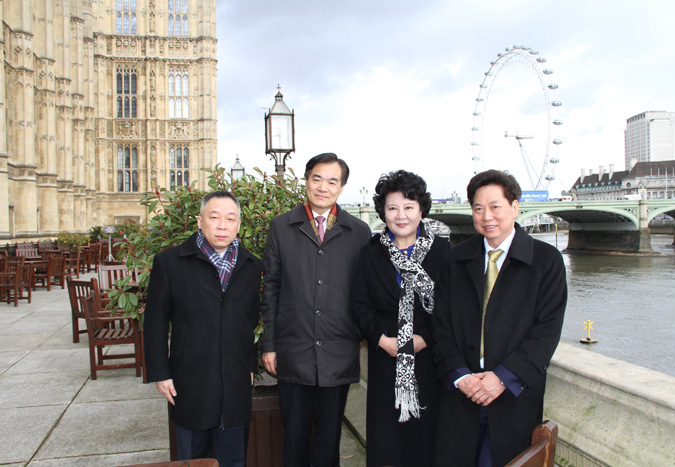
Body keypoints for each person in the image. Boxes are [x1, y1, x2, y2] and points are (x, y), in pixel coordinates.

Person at [432, 170, 567, 467]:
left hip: (513, 395)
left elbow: (547, 331)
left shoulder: (546, 261)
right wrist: (460, 374)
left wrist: (504, 377)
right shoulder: (455, 259)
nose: (487, 216)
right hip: (461, 391)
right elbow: (440, 322)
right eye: (478, 208)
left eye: (495, 207)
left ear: (515, 207)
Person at [261, 153, 371, 467]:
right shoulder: (282, 226)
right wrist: (269, 344)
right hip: (294, 349)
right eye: (317, 179)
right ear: (306, 180)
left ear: (342, 187)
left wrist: (357, 333)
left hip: (338, 349)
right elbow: (270, 288)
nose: (323, 187)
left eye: (332, 181)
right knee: (294, 436)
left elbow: (366, 291)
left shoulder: (359, 232)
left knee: (329, 440)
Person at [145, 191, 262, 467]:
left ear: (238, 224)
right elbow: (155, 323)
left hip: (235, 386)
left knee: (233, 459)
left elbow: (249, 320)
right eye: (214, 217)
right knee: (192, 460)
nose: (222, 225)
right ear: (200, 221)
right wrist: (161, 373)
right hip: (190, 384)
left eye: (230, 219)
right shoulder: (170, 263)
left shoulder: (251, 265)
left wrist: (249, 365)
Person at [351, 170, 451, 467]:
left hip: (431, 361)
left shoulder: (444, 252)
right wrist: (382, 340)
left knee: (427, 442)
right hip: (385, 360)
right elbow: (359, 304)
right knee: (387, 443)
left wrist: (426, 338)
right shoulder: (370, 253)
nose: (401, 215)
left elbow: (451, 306)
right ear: (383, 212)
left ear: (421, 209)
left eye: (409, 206)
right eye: (392, 208)